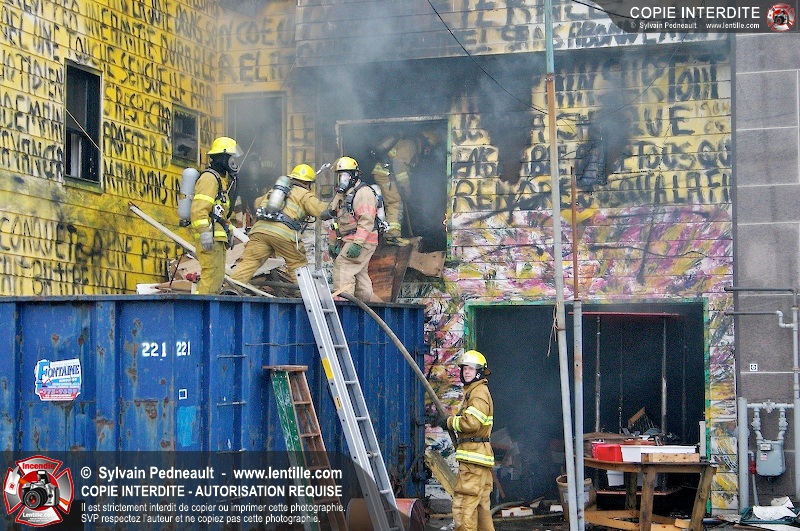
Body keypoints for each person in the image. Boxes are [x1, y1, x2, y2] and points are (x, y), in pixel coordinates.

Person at [230, 164, 339, 286]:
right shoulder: (304, 194)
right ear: (307, 183)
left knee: (249, 262)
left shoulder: (275, 191)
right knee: (297, 264)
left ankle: (231, 289)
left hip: (260, 231)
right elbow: (321, 211)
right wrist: (337, 205)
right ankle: (301, 294)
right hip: (283, 234)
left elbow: (257, 204)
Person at [437, 350, 495, 531]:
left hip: (473, 460)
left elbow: (472, 423)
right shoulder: (476, 391)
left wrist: (449, 422)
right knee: (481, 509)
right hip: (478, 460)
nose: (466, 372)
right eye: (464, 369)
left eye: (471, 368)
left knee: (464, 506)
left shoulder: (478, 393)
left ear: (479, 371)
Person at [190, 136, 242, 294]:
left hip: (217, 237)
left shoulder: (220, 180)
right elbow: (199, 209)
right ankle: (202, 307)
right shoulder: (209, 179)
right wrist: (204, 232)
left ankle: (205, 305)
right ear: (224, 158)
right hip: (210, 236)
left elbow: (221, 213)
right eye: (232, 157)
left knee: (216, 277)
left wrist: (229, 231)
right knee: (211, 276)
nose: (234, 162)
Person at [370, 131, 439, 245]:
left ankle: (391, 233)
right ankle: (392, 236)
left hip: (387, 174)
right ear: (425, 142)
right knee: (395, 202)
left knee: (394, 201)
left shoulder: (412, 146)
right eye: (429, 146)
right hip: (385, 174)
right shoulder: (411, 145)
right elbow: (398, 164)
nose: (429, 150)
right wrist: (405, 186)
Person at [329, 156, 381, 302]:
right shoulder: (342, 195)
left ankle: (342, 304)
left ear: (354, 176)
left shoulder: (363, 193)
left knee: (343, 265)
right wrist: (333, 242)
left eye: (345, 175)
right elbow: (337, 220)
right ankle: (366, 306)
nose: (342, 179)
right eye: (340, 176)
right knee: (359, 274)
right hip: (352, 239)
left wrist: (358, 243)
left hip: (362, 240)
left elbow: (366, 221)